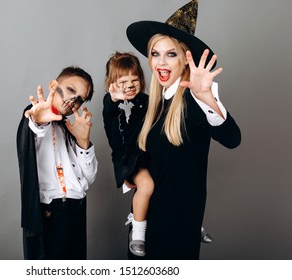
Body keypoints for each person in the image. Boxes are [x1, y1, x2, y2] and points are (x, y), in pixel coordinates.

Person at [125, 0, 241, 259]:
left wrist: (207, 98)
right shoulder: (153, 104)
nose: (160, 63)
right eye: (155, 54)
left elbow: (232, 138)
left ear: (186, 59)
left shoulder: (196, 99)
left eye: (171, 54)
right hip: (146, 222)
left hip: (177, 227)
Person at [16, 66, 97, 260]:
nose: (72, 101)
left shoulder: (69, 128)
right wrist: (39, 121)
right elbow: (33, 130)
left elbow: (88, 178)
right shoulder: (34, 115)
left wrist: (83, 141)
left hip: (75, 209)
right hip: (49, 213)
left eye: (79, 99)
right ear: (54, 85)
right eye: (70, 90)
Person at [102, 52, 152, 257]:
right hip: (127, 159)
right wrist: (115, 98)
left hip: (148, 155)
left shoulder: (146, 100)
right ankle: (138, 234)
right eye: (123, 81)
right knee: (147, 185)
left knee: (175, 176)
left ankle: (192, 224)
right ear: (112, 84)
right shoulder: (111, 102)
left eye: (135, 79)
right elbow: (110, 111)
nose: (130, 85)